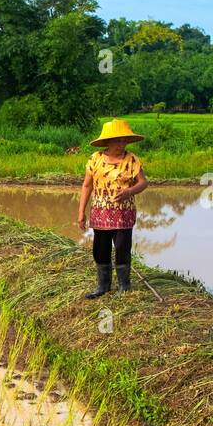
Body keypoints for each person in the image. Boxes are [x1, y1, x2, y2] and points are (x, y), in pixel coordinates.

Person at [77, 119, 149, 297]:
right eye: (118, 140)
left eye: (124, 140)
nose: (122, 144)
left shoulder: (131, 159)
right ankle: (103, 286)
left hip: (123, 214)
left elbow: (143, 183)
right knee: (100, 251)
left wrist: (129, 191)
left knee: (122, 249)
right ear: (108, 142)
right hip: (100, 214)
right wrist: (81, 213)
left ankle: (124, 287)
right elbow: (87, 186)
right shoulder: (95, 159)